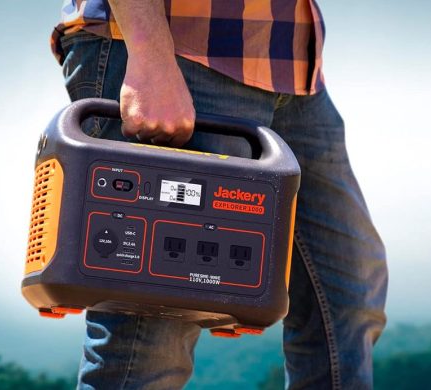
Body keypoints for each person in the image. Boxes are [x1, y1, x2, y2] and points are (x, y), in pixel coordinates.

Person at [51, 1, 388, 388]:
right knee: (152, 326)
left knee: (346, 294)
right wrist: (149, 53)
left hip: (291, 64)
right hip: (179, 48)